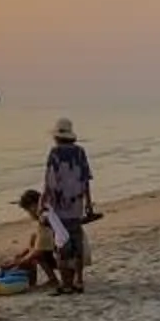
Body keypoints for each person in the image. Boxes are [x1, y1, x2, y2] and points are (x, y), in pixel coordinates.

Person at [42, 117, 94, 286]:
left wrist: (43, 203)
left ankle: (66, 283)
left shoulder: (55, 153)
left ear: (56, 136)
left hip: (59, 204)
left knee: (62, 243)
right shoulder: (80, 152)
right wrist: (89, 203)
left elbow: (50, 181)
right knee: (76, 240)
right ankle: (79, 279)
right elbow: (85, 179)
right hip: (77, 203)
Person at [13, 188, 74, 293]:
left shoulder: (45, 218)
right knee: (33, 240)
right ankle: (32, 282)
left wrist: (17, 263)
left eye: (27, 210)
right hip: (73, 255)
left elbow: (38, 251)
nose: (29, 214)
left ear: (33, 206)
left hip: (67, 259)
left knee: (36, 255)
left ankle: (52, 279)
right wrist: (20, 257)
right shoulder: (51, 210)